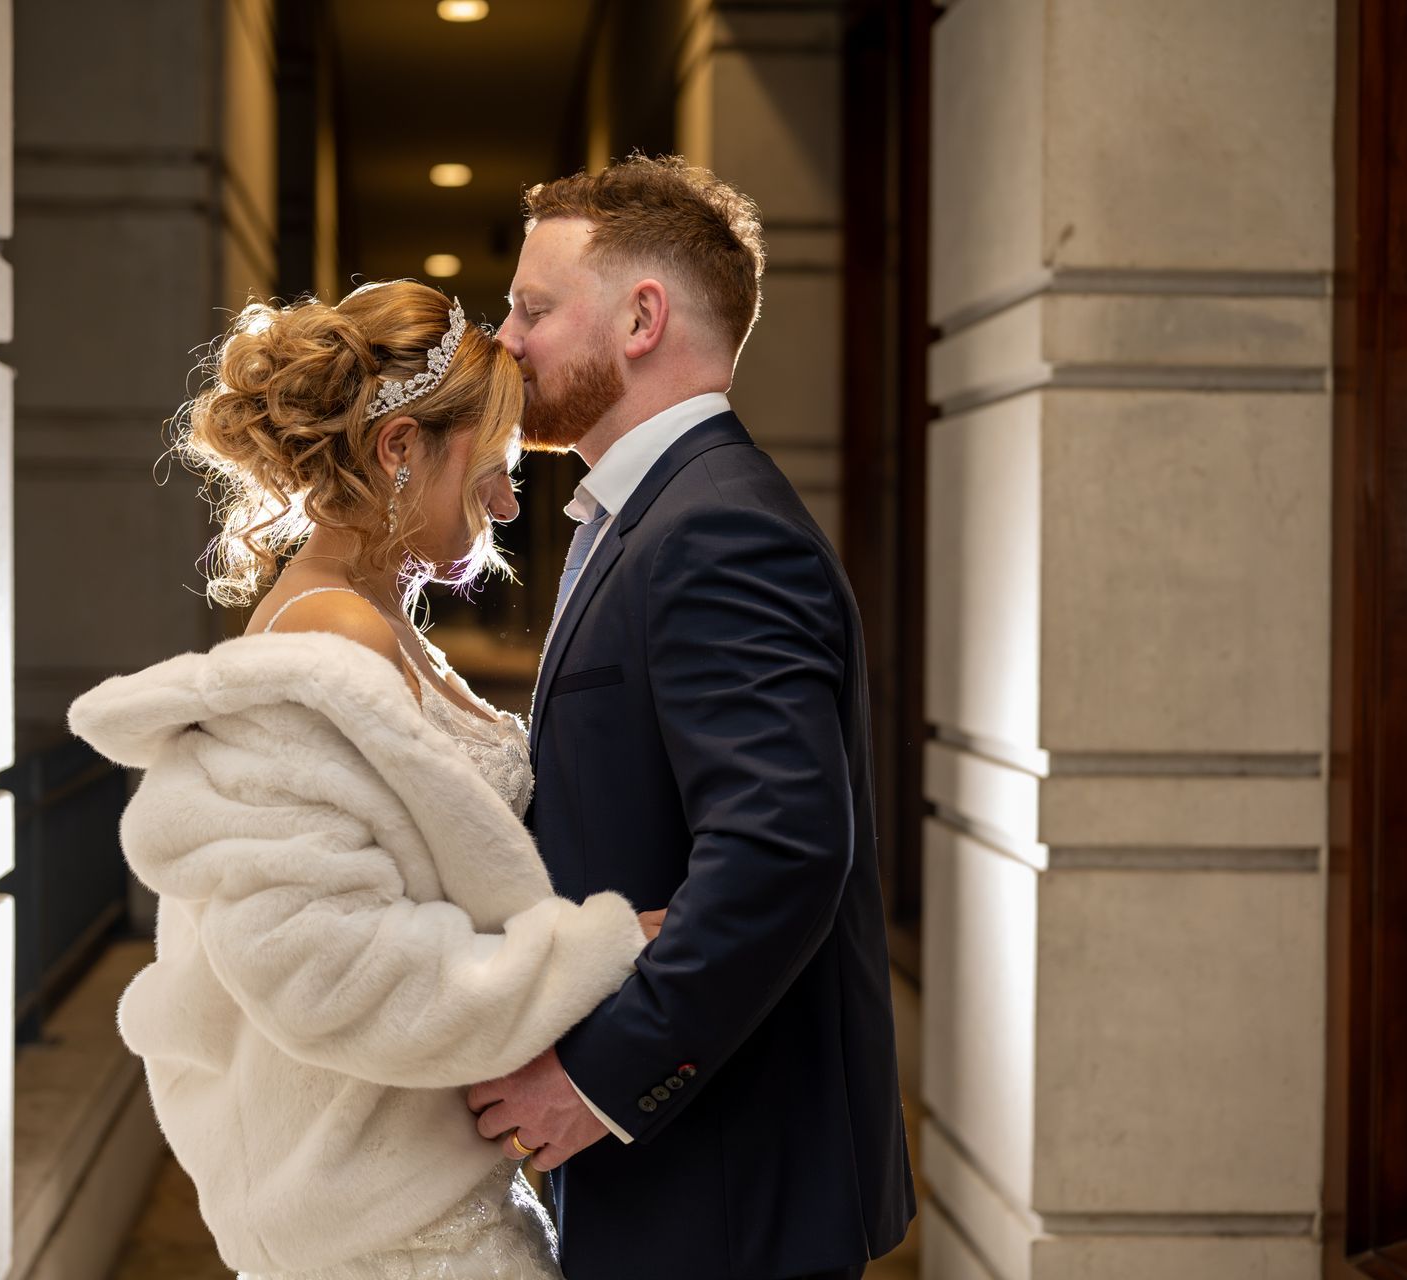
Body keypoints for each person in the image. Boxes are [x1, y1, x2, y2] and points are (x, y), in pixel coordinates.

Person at [68, 279, 653, 1279]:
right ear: (399, 451)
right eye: (499, 462)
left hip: (414, 1191)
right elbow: (324, 966)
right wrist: (598, 948)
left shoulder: (374, 624)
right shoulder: (334, 629)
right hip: (383, 1233)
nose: (513, 499)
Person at [464, 156, 916, 1279]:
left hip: (724, 1180)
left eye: (532, 307)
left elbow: (781, 849)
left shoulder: (716, 532)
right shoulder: (647, 514)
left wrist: (599, 1079)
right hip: (685, 1172)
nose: (505, 342)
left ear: (641, 318)